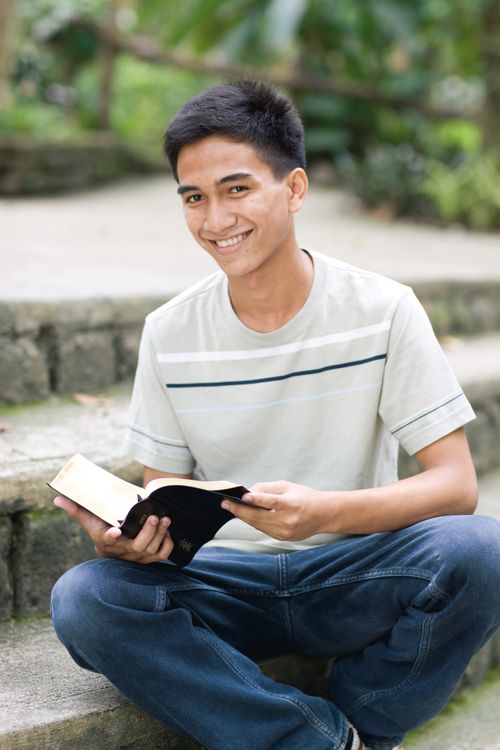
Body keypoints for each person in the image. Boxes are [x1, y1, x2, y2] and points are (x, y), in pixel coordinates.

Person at [51, 80, 500, 750]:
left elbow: (455, 486)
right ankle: (322, 742)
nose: (215, 218)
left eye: (237, 190)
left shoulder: (383, 310)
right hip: (225, 583)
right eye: (193, 198)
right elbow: (163, 499)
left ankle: (361, 717)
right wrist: (130, 539)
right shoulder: (169, 332)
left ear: (293, 191)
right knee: (85, 600)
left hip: (350, 570)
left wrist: (325, 514)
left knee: (484, 553)